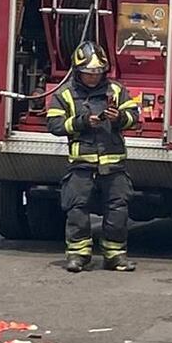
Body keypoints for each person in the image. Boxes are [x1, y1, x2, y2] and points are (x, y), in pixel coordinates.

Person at [47, 42, 140, 273]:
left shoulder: (116, 91)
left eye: (97, 73)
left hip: (113, 163)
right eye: (88, 73)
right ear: (78, 71)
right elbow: (54, 124)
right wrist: (82, 122)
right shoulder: (65, 94)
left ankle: (115, 255)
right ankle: (78, 255)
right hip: (81, 164)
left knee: (118, 209)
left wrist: (118, 117)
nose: (93, 77)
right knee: (77, 208)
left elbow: (134, 117)